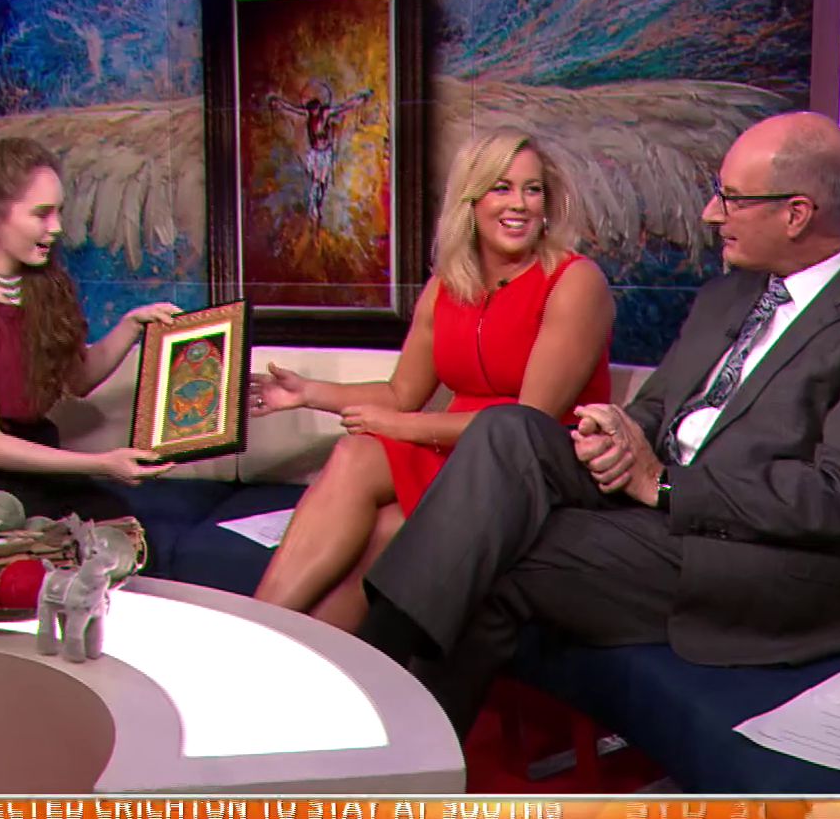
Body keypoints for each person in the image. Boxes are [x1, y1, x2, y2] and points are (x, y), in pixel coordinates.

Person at [352, 112, 840, 736]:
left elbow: (838, 497)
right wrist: (614, 432)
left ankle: (391, 744)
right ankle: (372, 679)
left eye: (731, 198)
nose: (710, 213)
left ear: (797, 214)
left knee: (503, 557)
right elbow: (657, 409)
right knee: (506, 430)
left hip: (769, 561)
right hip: (658, 507)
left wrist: (664, 485)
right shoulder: (730, 294)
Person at [249, 129, 615, 632]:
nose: (520, 204)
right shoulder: (448, 285)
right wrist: (308, 393)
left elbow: (524, 427)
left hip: (529, 471)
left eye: (532, 190)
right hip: (454, 451)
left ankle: (262, 635)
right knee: (358, 464)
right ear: (471, 200)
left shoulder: (574, 281)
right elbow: (400, 394)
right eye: (502, 187)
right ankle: (267, 635)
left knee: (386, 522)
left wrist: (402, 427)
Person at [0, 137, 182, 519]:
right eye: (41, 214)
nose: (56, 228)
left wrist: (131, 326)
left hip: (37, 470)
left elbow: (78, 379)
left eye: (59, 212)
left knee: (119, 526)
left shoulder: (45, 287)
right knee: (38, 537)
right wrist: (102, 463)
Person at [266, 81, 374, 230]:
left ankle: (317, 205)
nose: (314, 112)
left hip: (326, 152)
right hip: (316, 153)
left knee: (323, 182)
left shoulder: (326, 113)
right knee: (316, 180)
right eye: (312, 110)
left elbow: (344, 107)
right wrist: (279, 103)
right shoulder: (308, 114)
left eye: (315, 109)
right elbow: (291, 109)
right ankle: (313, 208)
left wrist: (360, 99)